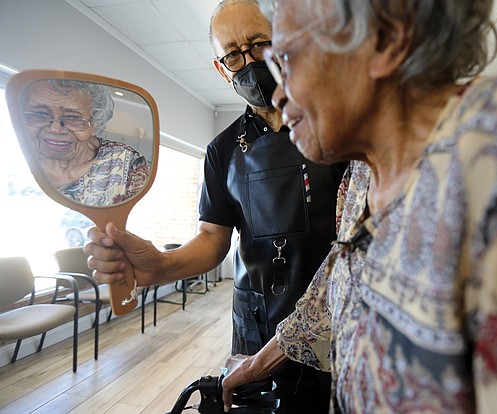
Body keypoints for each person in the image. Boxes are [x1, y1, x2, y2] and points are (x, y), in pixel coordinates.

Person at [219, 0, 497, 412]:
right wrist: (255, 364)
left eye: (286, 58)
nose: (279, 94)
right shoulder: (359, 179)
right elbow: (333, 290)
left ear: (387, 39)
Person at [86, 0, 344, 412]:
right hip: (257, 323)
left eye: (260, 44)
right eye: (233, 55)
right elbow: (212, 237)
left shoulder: (342, 125)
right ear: (221, 68)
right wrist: (160, 264)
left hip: (336, 314)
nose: (249, 61)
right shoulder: (221, 149)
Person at [22, 79, 149, 206]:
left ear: (95, 123)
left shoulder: (127, 163)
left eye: (73, 117)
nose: (55, 128)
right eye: (39, 114)